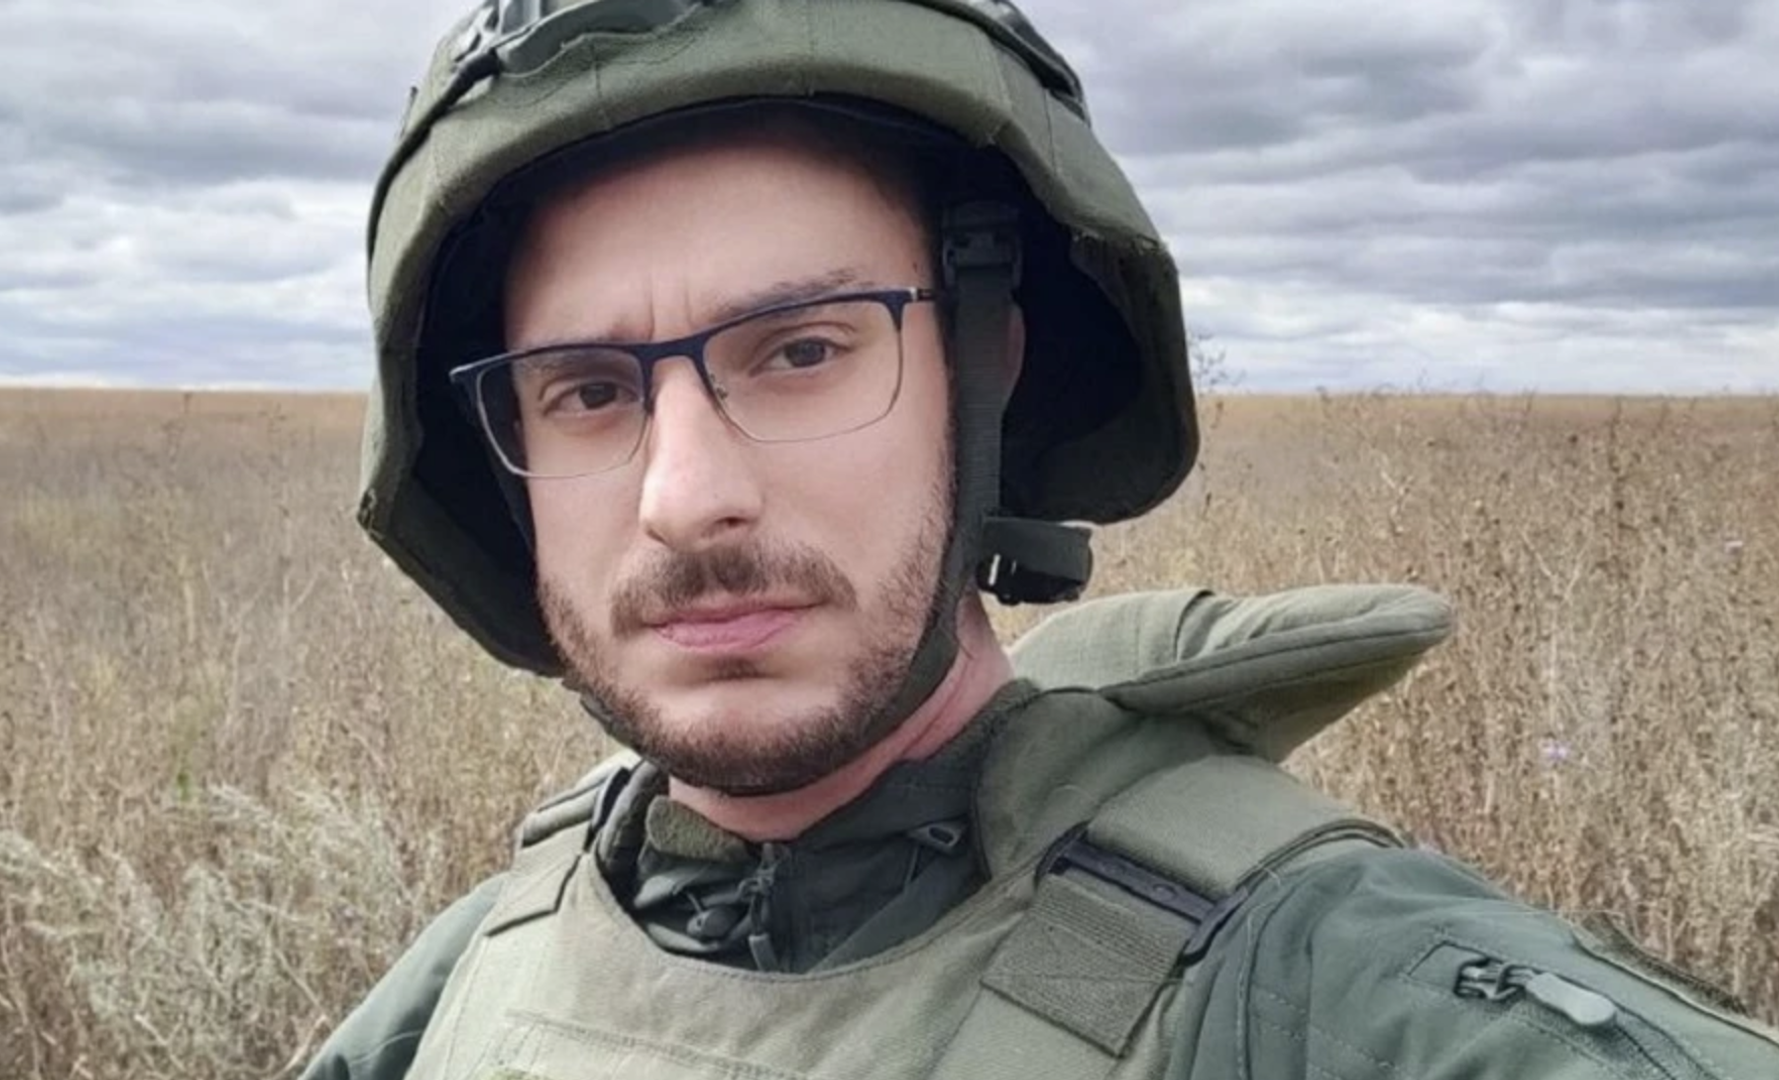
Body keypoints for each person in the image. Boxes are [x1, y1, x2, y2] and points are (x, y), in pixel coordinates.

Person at [309, 1, 1779, 1077]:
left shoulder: (1326, 991)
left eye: (803, 351)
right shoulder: (480, 966)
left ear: (986, 373)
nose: (682, 497)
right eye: (586, 391)